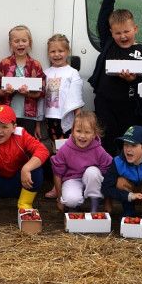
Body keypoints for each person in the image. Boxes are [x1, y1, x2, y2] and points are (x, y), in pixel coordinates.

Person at [88, 0, 142, 155]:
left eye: (127, 31)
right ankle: (109, 169)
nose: (123, 36)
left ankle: (128, 169)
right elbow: (103, 19)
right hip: (105, 105)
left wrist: (134, 79)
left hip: (131, 108)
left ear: (135, 29)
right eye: (118, 33)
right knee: (107, 143)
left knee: (129, 145)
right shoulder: (109, 44)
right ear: (111, 33)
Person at [0, 104, 50, 217]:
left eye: (4, 127)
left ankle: (25, 204)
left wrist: (26, 168)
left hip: (20, 183)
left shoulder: (21, 134)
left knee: (36, 169)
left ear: (14, 127)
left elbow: (43, 150)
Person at [42, 33, 85, 198]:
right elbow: (40, 98)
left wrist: (78, 122)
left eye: (61, 51)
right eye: (53, 51)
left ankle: (69, 184)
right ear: (48, 53)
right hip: (51, 120)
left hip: (66, 120)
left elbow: (76, 99)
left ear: (67, 52)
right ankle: (57, 186)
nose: (57, 54)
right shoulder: (45, 73)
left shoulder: (72, 73)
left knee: (67, 152)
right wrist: (38, 122)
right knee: (56, 153)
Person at [50, 110, 113, 213]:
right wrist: (59, 197)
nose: (82, 136)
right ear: (72, 131)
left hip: (92, 180)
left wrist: (108, 200)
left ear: (94, 134)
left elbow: (109, 171)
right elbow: (57, 173)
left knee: (93, 172)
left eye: (87, 132)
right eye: (78, 131)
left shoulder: (98, 149)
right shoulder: (65, 149)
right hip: (72, 179)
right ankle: (75, 205)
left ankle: (94, 204)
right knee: (70, 201)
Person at [0, 25, 46, 137]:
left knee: (25, 143)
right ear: (10, 44)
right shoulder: (4, 64)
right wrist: (5, 92)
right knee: (8, 143)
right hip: (7, 114)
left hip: (29, 116)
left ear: (29, 42)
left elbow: (41, 92)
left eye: (24, 40)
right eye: (16, 41)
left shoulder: (36, 65)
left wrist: (28, 93)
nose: (20, 44)